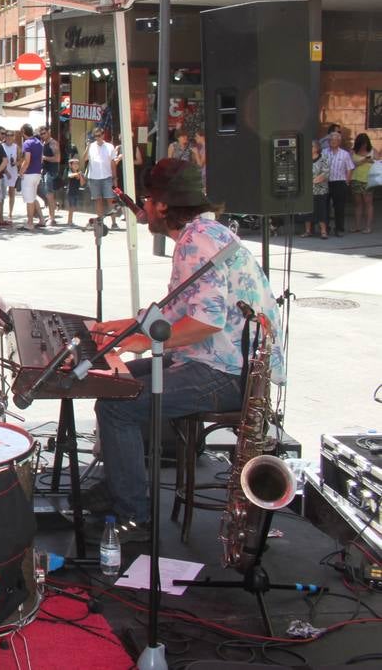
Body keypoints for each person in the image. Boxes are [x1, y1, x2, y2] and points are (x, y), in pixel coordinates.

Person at [90, 159, 282, 540]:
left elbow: (205, 322)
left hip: (226, 373)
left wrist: (145, 342)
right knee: (109, 387)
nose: (141, 207)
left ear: (162, 205)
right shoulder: (206, 232)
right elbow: (181, 308)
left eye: (146, 199)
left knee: (117, 406)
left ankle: (133, 515)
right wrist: (127, 325)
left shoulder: (195, 241)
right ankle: (120, 487)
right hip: (217, 362)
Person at [84, 128, 120, 230]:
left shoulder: (109, 146)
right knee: (98, 200)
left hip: (107, 177)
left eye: (99, 135)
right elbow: (85, 159)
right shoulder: (91, 146)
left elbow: (113, 163)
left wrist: (115, 178)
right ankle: (100, 222)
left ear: (103, 135)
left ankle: (114, 222)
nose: (98, 138)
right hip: (94, 178)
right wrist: (88, 146)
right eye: (95, 136)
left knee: (110, 199)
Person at [324, 130, 352, 237]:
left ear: (339, 141)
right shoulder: (324, 152)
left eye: (335, 140)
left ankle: (339, 228)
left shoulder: (345, 154)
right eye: (331, 140)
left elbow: (349, 168)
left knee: (339, 207)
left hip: (340, 182)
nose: (333, 141)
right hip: (325, 182)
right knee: (325, 207)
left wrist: (347, 182)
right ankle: (325, 228)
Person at [18, 124, 44, 231]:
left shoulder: (27, 143)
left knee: (29, 200)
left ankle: (30, 223)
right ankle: (42, 219)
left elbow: (27, 160)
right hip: (37, 173)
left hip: (29, 174)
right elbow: (41, 159)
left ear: (24, 132)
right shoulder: (39, 143)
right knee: (33, 198)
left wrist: (21, 171)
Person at [350, 133, 374, 234]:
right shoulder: (352, 151)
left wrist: (371, 160)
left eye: (365, 143)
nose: (364, 145)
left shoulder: (372, 150)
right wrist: (365, 160)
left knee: (368, 203)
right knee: (358, 204)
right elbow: (352, 164)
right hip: (356, 179)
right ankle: (357, 226)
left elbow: (378, 161)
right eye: (362, 143)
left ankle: (368, 227)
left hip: (368, 180)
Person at [39, 126, 61, 225]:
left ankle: (52, 218)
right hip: (45, 171)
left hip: (51, 172)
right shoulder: (43, 143)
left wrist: (44, 157)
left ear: (49, 132)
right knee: (47, 195)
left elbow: (57, 159)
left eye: (44, 133)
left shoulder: (53, 143)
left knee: (49, 195)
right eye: (41, 134)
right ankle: (50, 216)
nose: (43, 135)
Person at [308, 139, 329, 239]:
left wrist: (314, 181)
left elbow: (326, 173)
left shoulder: (324, 158)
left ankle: (323, 231)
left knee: (321, 211)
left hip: (320, 189)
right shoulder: (305, 158)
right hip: (308, 190)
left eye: (311, 146)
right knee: (307, 210)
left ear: (316, 148)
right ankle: (308, 231)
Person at [0, 127, 20, 222]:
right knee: (2, 194)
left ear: (14, 137)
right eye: (7, 135)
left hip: (13, 171)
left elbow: (21, 160)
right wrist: (5, 171)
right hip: (3, 172)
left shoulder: (16, 147)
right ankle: (1, 215)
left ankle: (10, 213)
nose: (8, 137)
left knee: (12, 193)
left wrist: (16, 163)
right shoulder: (1, 146)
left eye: (10, 135)